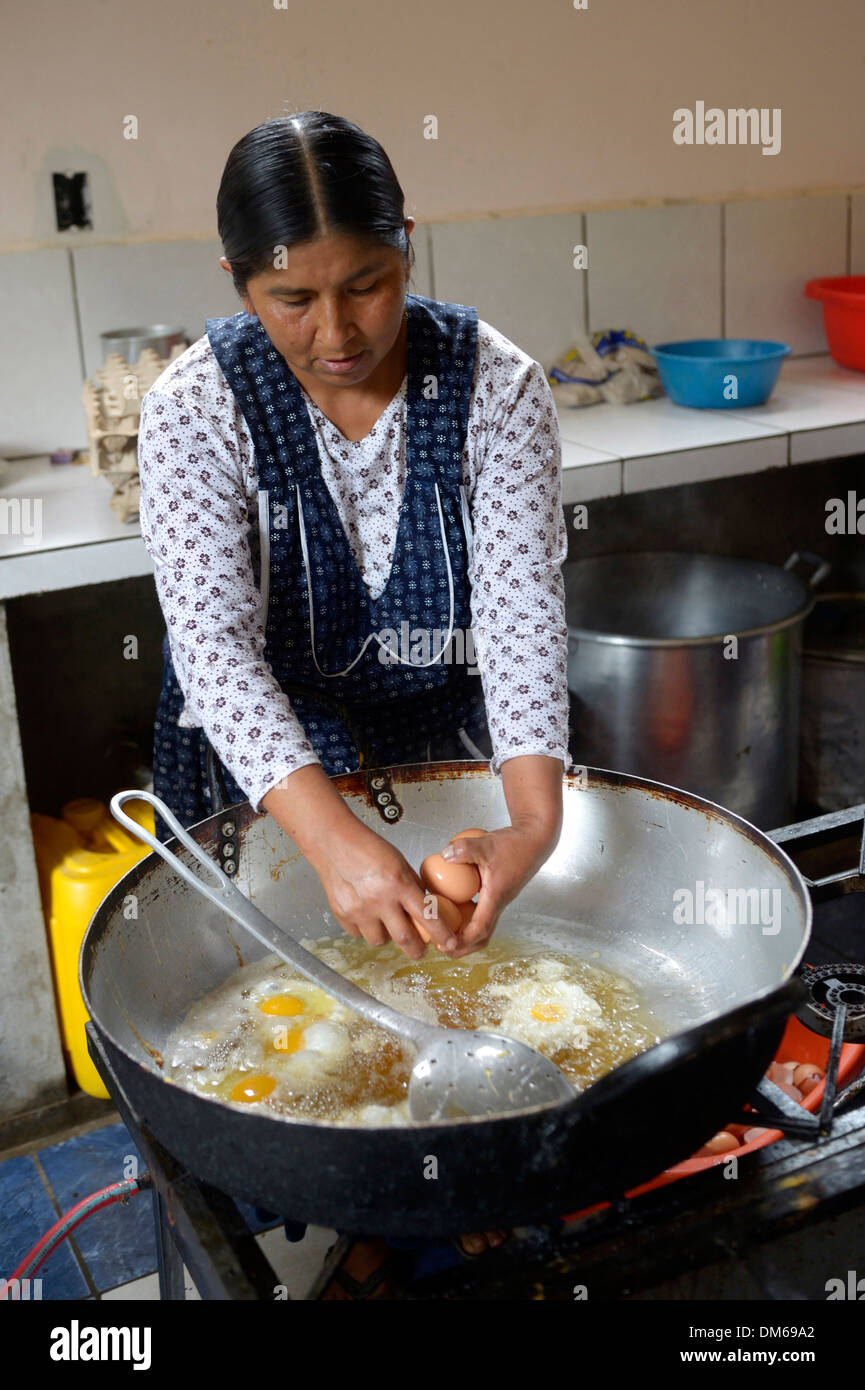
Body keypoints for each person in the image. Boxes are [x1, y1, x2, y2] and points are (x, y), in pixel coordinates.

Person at [137, 110, 571, 1297]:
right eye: (292, 299)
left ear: (409, 251)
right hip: (255, 767)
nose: (336, 332)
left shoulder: (496, 385)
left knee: (442, 1012)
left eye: (368, 286)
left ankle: (402, 1241)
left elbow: (525, 616)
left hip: (436, 759)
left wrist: (531, 824)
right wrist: (326, 838)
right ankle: (321, 1234)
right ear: (237, 280)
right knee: (284, 1053)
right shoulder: (193, 407)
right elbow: (217, 653)